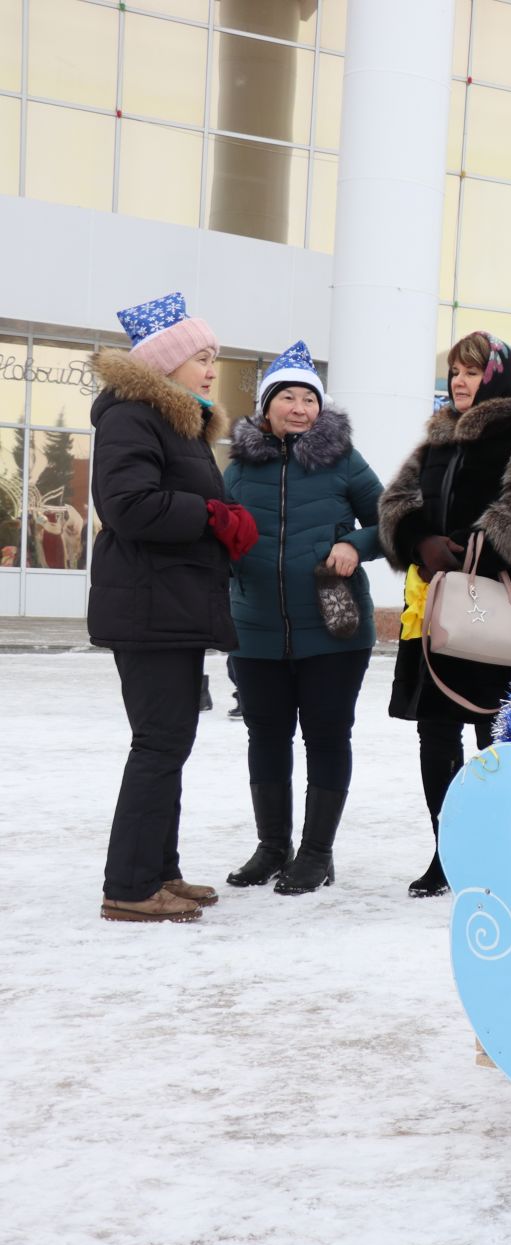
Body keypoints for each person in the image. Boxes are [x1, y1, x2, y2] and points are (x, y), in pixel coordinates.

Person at [379, 333, 511, 898]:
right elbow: (397, 502)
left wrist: (463, 548)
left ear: (497, 377)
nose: (459, 381)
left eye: (471, 371)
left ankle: (502, 852)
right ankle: (448, 851)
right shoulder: (437, 440)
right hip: (440, 612)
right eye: (454, 371)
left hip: (493, 609)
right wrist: (419, 540)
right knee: (435, 734)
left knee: (498, 735)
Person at [88, 292, 253, 923]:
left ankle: (160, 869)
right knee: (159, 742)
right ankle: (129, 886)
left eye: (214, 357)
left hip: (170, 606)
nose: (212, 368)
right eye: (202, 357)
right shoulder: (133, 415)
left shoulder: (174, 420)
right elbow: (128, 505)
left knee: (171, 740)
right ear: (166, 363)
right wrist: (211, 515)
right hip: (148, 608)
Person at [223, 342, 385, 895]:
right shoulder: (241, 464)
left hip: (334, 628)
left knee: (325, 736)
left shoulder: (342, 458)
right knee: (265, 737)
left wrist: (356, 546)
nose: (299, 407)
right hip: (255, 627)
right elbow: (219, 529)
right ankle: (273, 847)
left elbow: (390, 521)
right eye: (287, 397)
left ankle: (317, 853)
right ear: (266, 406)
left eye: (308, 398)